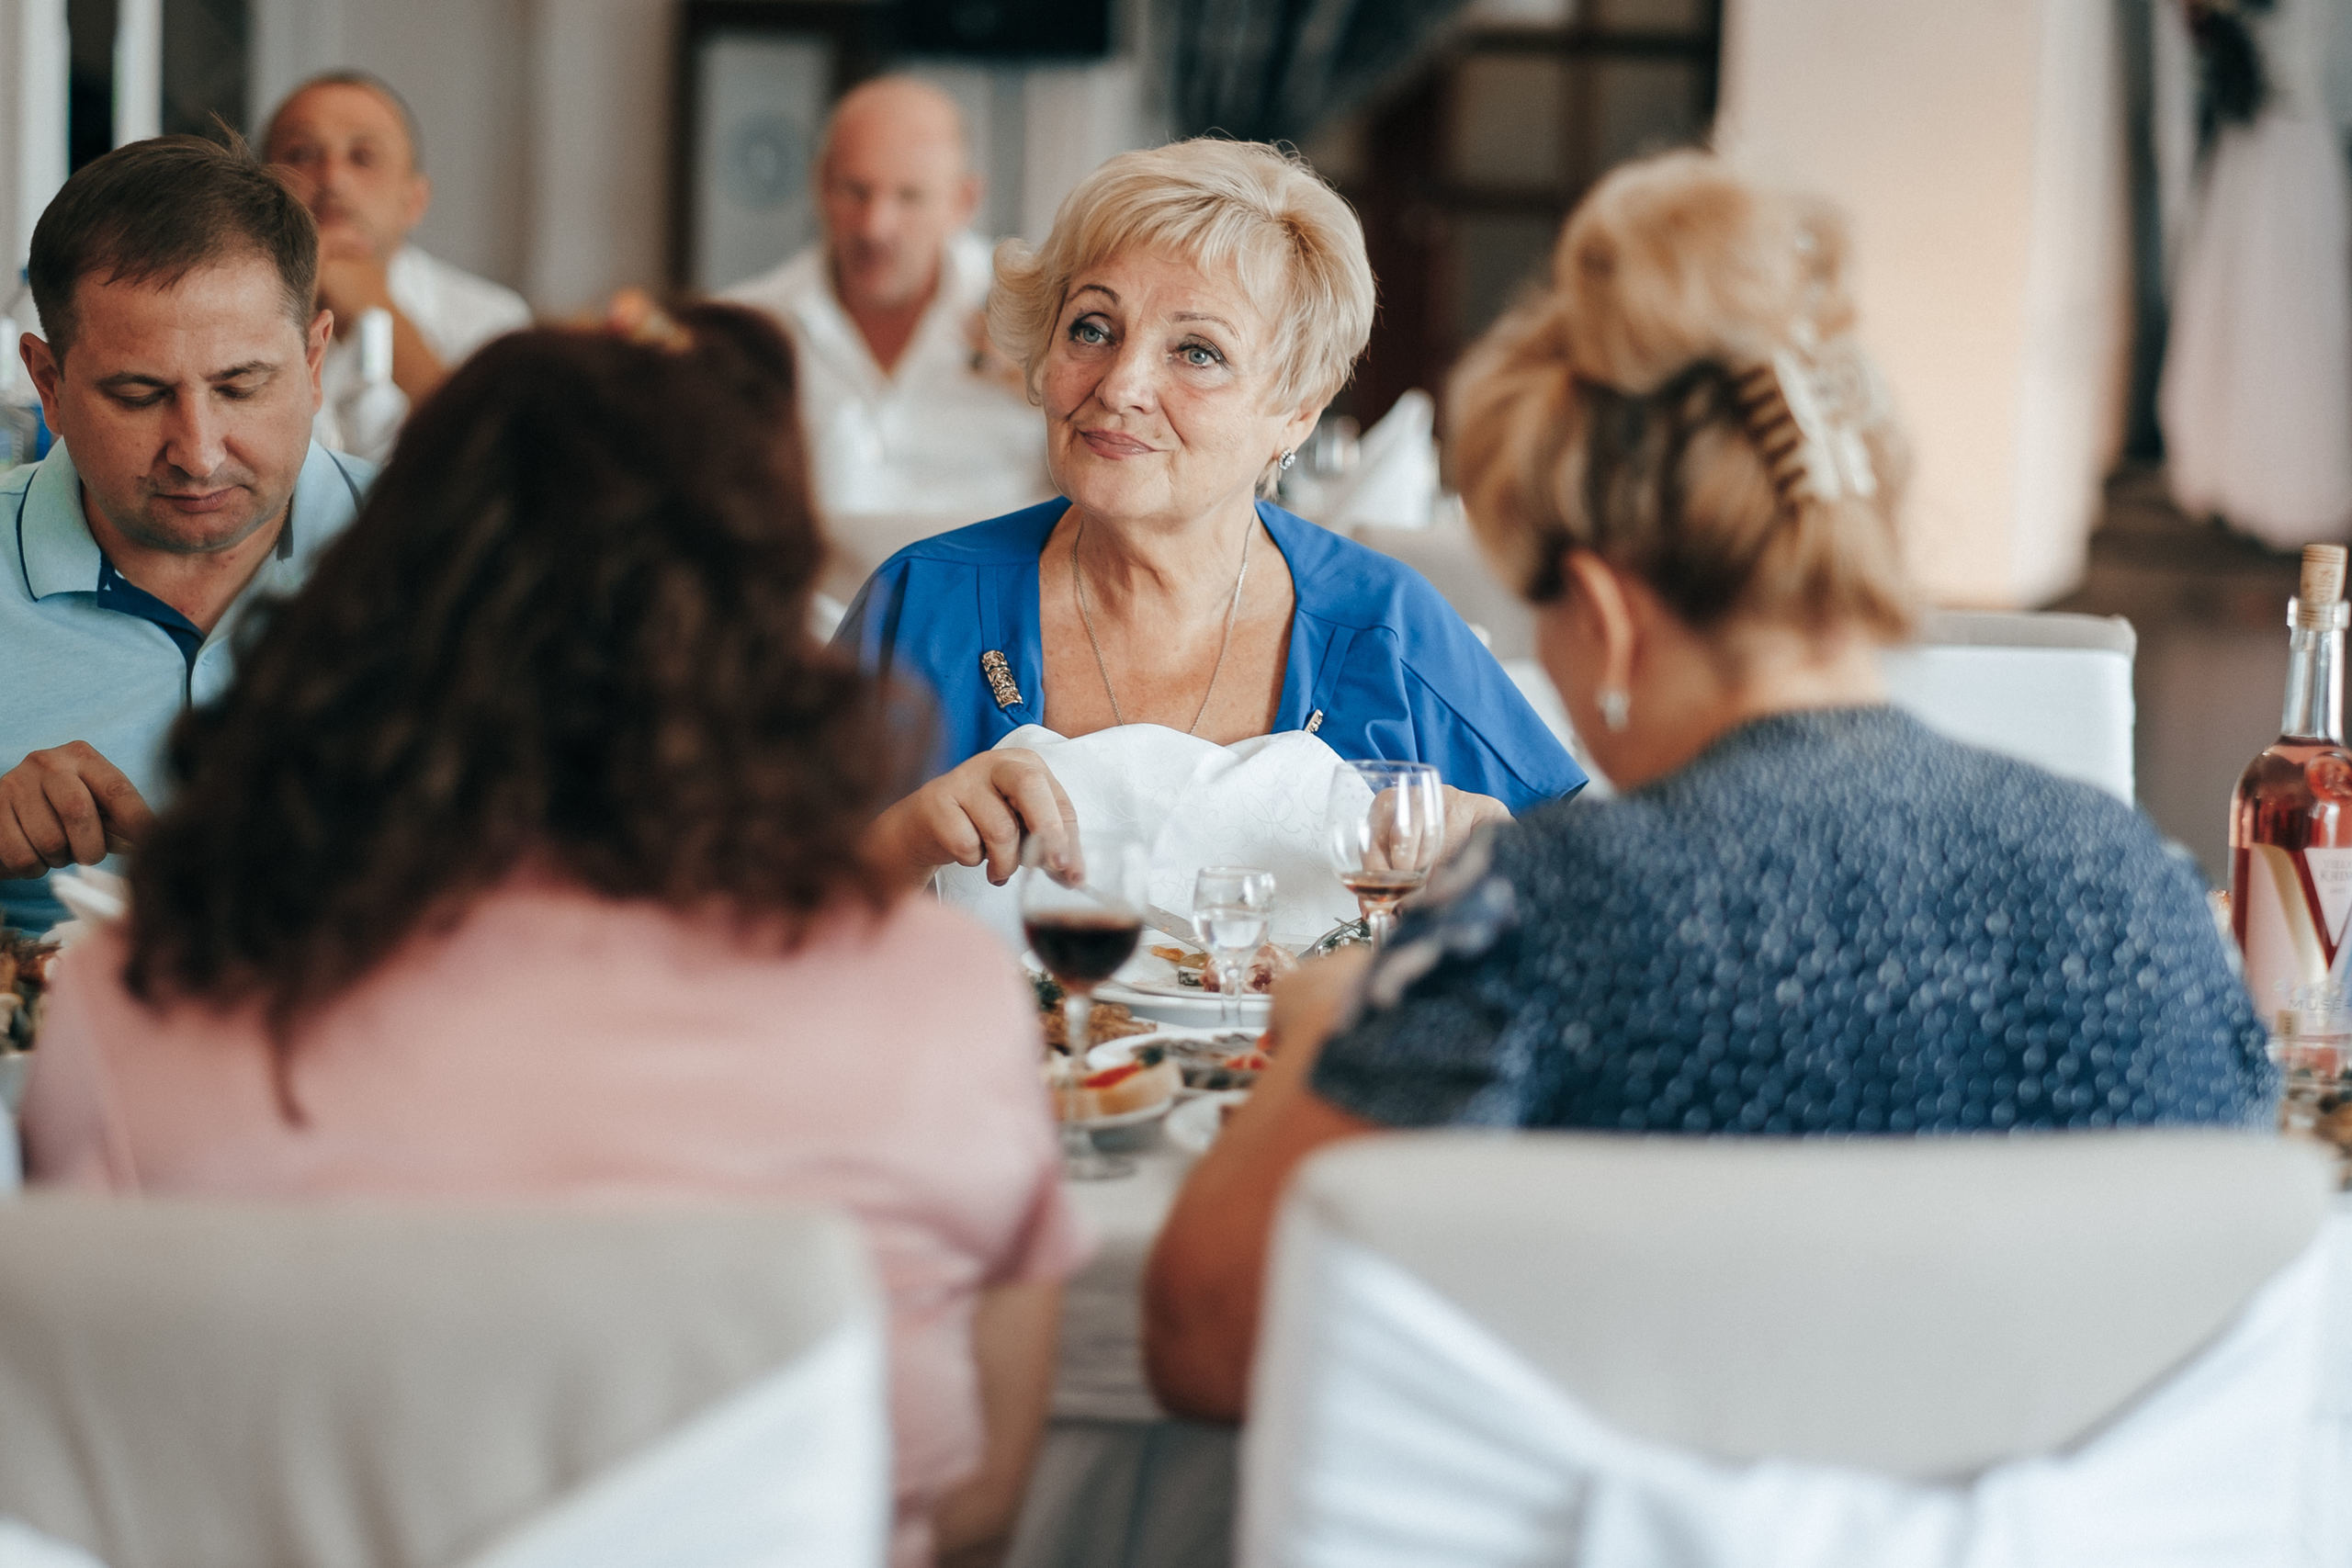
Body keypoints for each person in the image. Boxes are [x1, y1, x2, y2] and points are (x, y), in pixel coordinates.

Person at [1141, 150, 2278, 1422]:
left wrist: (1334, 1028)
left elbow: (1205, 1335)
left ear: (1611, 621)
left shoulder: (1546, 916)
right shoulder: (2137, 885)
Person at [22, 303, 1080, 1568]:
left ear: (374, 598)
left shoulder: (135, 1000)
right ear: (751, 633)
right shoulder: (938, 999)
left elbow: (116, 1469)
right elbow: (974, 1510)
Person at [839, 138, 1586, 888]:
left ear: (1296, 410)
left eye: (1197, 352)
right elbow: (744, 923)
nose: (1121, 383)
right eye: (1093, 328)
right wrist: (900, 844)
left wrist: (1498, 852)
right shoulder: (920, 603)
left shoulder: (1385, 629)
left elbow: (1584, 893)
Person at [0, 135, 368, 934]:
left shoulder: (458, 563)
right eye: (138, 395)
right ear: (49, 384)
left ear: (312, 364)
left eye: (241, 387)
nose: (198, 453)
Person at [724, 74, 1051, 527]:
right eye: (855, 191)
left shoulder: (1048, 320)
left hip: (999, 595)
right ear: (821, 185)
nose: (875, 227)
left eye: (909, 197)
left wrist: (1054, 387)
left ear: (964, 201)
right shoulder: (742, 331)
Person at [263, 71, 532, 461]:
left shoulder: (493, 321)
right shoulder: (218, 311)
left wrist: (377, 308)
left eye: (364, 157)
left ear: (415, 201)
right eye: (302, 154)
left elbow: (504, 463)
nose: (333, 180)